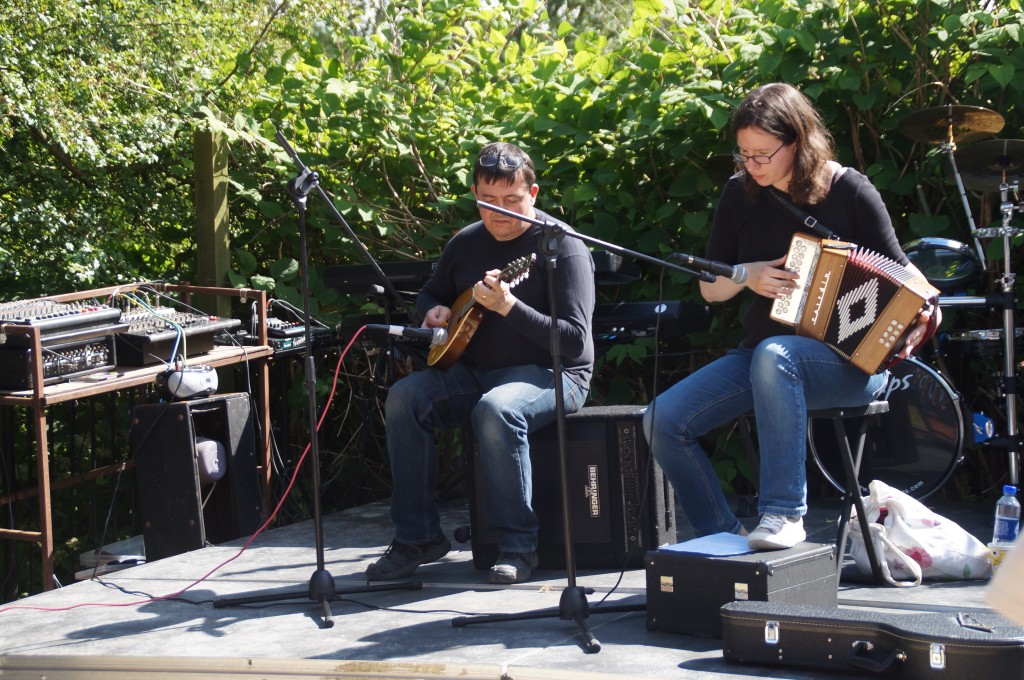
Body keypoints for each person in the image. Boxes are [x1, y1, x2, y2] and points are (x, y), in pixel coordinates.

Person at [644, 83, 938, 550]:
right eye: (743, 154)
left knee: (775, 354)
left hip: (849, 363)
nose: (752, 166)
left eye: (763, 155)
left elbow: (903, 271)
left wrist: (928, 308)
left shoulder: (849, 189)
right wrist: (748, 276)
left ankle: (783, 514)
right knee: (663, 418)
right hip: (763, 356)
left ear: (797, 142)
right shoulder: (738, 196)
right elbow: (710, 289)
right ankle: (723, 539)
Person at [366, 141, 596, 584]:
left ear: (534, 194)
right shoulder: (465, 243)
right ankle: (418, 538)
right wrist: (429, 312)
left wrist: (510, 307)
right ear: (475, 194)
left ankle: (517, 546)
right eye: (488, 201)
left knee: (498, 408)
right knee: (404, 398)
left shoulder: (561, 248)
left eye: (512, 200)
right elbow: (433, 293)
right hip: (474, 371)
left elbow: (572, 342)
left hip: (555, 374)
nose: (500, 212)